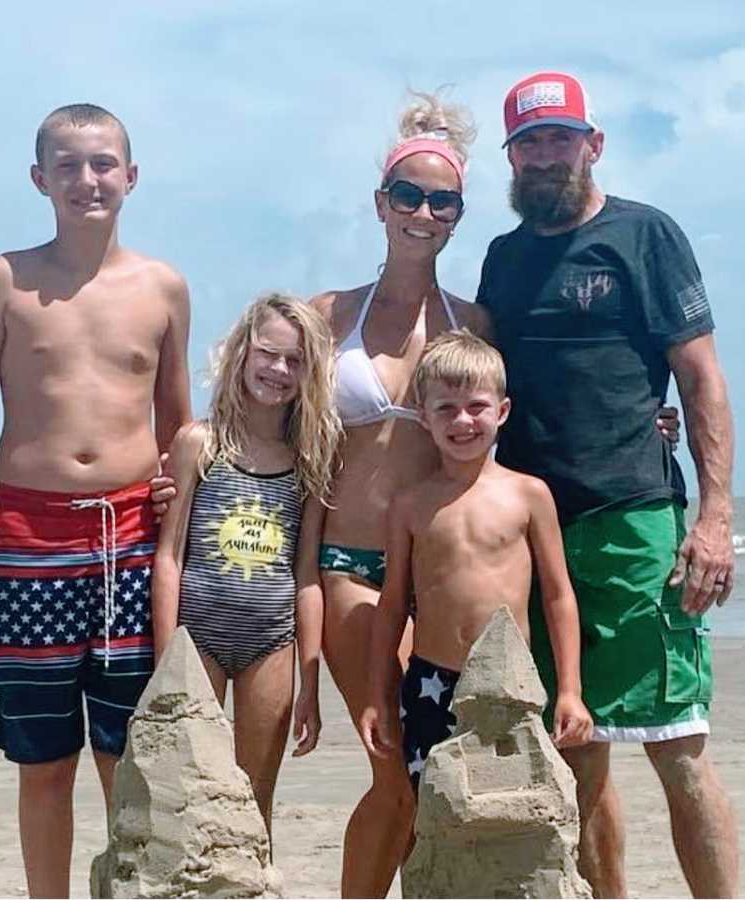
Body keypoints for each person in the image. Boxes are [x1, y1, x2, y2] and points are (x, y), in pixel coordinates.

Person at [0, 104, 192, 899]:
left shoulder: (162, 286)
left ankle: (124, 888)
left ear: (131, 177)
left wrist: (183, 518)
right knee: (44, 760)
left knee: (126, 749)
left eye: (103, 163)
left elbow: (179, 422)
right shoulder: (7, 279)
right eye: (68, 166)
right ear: (41, 179)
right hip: (26, 540)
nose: (87, 180)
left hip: (131, 540)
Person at [476, 71, 737, 898]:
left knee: (678, 743)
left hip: (633, 520)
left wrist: (716, 518)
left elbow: (700, 381)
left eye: (560, 138)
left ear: (593, 144)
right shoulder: (504, 258)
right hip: (532, 530)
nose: (545, 156)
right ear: (511, 158)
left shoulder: (645, 235)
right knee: (572, 744)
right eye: (529, 143)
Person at [309, 92, 492, 898]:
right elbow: (267, 419)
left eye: (440, 199)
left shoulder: (473, 321)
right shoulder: (328, 316)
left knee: (435, 771)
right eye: (408, 196)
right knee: (395, 774)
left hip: (436, 575)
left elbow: (498, 424)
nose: (423, 211)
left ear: (457, 213)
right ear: (381, 204)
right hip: (350, 567)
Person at [359, 330, 593, 788]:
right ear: (423, 418)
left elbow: (559, 596)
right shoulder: (409, 505)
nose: (462, 420)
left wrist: (570, 689)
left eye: (476, 406)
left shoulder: (529, 495)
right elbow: (392, 605)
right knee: (435, 810)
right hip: (429, 683)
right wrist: (377, 697)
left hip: (508, 683)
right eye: (445, 407)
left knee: (508, 807)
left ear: (502, 411)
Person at [150, 292, 340, 848]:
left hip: (270, 643)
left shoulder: (312, 456)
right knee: (191, 788)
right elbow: (170, 556)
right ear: (241, 352)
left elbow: (307, 574)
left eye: (295, 360)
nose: (279, 370)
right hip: (197, 640)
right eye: (268, 353)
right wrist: (169, 659)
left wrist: (311, 678)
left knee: (255, 798)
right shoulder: (199, 443)